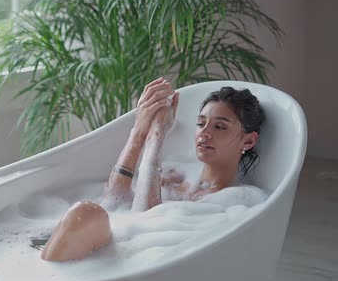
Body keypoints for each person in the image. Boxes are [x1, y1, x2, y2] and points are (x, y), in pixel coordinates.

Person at [40, 77, 266, 261]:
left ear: (248, 141)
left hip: (135, 263)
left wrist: (157, 135)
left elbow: (146, 218)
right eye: (200, 123)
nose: (204, 132)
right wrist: (139, 129)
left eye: (219, 126)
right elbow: (112, 198)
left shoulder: (230, 203)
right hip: (117, 251)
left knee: (86, 214)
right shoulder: (174, 175)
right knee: (85, 213)